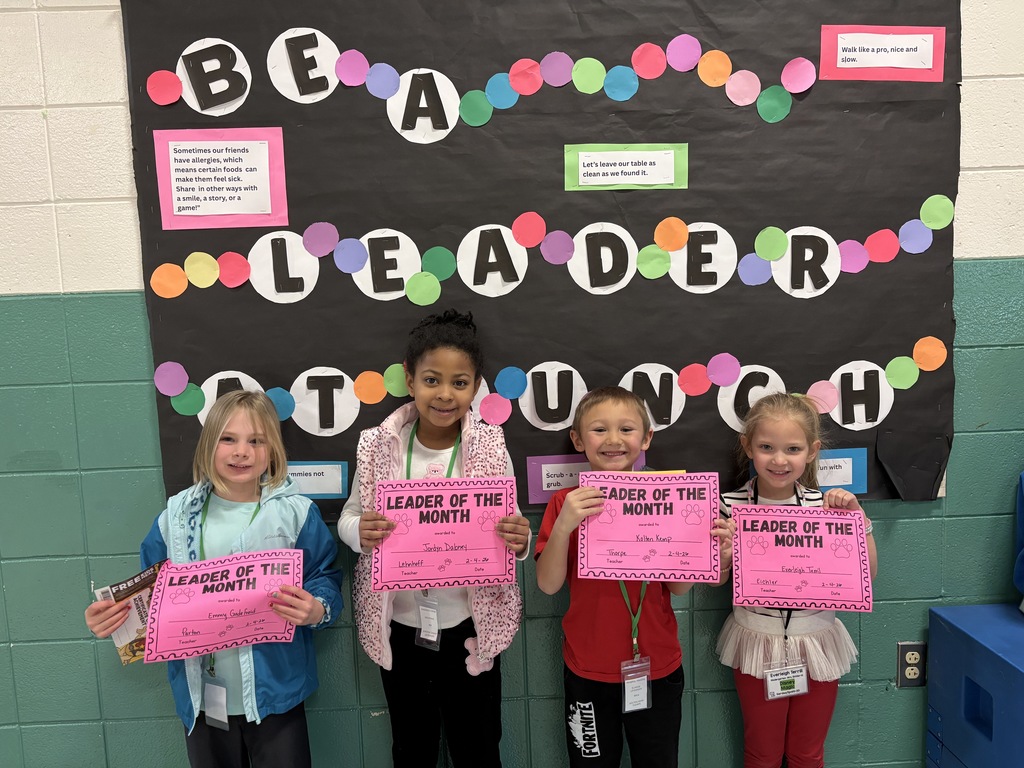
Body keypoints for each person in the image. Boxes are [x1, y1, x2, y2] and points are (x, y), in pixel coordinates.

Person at [85, 390, 342, 768]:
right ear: (209, 444)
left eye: (257, 441)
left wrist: (317, 608)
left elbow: (324, 573)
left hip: (278, 694)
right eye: (229, 439)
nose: (242, 451)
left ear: (272, 450)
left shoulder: (294, 513)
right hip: (202, 697)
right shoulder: (174, 518)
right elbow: (151, 599)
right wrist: (113, 621)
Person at [337, 308, 531, 768]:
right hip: (400, 628)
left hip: (470, 628)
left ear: (475, 386)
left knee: (479, 747)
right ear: (409, 379)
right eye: (432, 380)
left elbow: (513, 527)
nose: (445, 394)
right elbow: (349, 516)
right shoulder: (378, 445)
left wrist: (518, 540)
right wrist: (358, 533)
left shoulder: (488, 447)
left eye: (460, 383)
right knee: (411, 747)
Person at [535, 386, 735, 767]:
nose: (613, 440)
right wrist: (564, 526)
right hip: (588, 671)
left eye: (626, 429)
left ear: (646, 438)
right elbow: (547, 585)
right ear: (578, 439)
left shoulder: (671, 499)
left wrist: (715, 554)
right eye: (599, 430)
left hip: (656, 667)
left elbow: (678, 587)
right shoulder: (565, 502)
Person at [717, 392, 879, 768]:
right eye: (766, 447)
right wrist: (723, 558)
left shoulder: (826, 507)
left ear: (811, 451)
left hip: (816, 639)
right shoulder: (729, 504)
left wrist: (859, 522)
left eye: (792, 448)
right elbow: (715, 581)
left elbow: (865, 576)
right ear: (747, 447)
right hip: (757, 639)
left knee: (807, 753)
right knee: (762, 753)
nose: (778, 459)